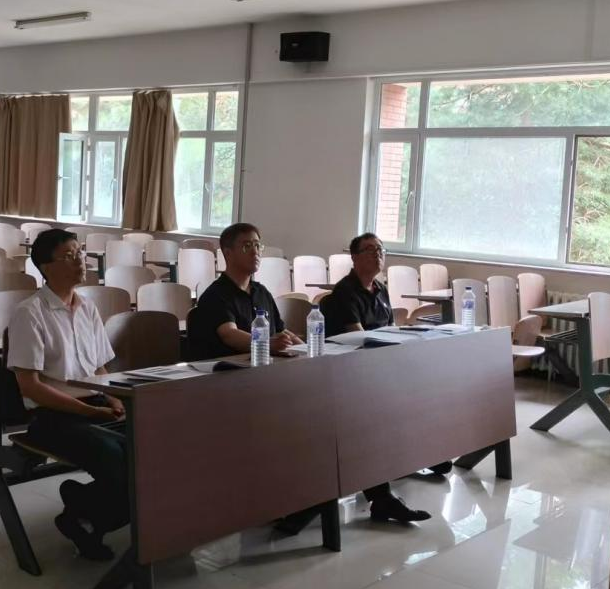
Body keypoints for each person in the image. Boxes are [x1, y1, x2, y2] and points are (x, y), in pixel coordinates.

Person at [7, 229, 128, 561]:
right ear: (46, 267)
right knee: (114, 457)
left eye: (81, 253)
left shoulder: (88, 307)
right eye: (70, 256)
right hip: (52, 416)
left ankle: (82, 507)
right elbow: (30, 386)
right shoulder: (29, 313)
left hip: (96, 405)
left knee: (149, 446)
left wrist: (115, 399)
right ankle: (85, 511)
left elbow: (101, 367)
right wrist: (89, 412)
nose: (81, 261)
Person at [316, 231, 437, 525]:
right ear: (355, 258)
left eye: (380, 249)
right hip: (348, 372)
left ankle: (423, 453)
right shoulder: (345, 292)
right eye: (370, 250)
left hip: (377, 366)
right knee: (371, 420)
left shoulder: (380, 289)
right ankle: (382, 497)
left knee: (426, 388)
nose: (377, 254)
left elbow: (391, 329)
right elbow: (359, 337)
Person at [187, 222, 302, 360]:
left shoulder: (262, 292)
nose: (255, 252)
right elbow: (229, 334)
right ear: (228, 253)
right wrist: (267, 344)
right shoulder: (215, 294)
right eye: (247, 246)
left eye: (257, 246)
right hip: (229, 368)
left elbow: (281, 331)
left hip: (262, 364)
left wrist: (306, 349)